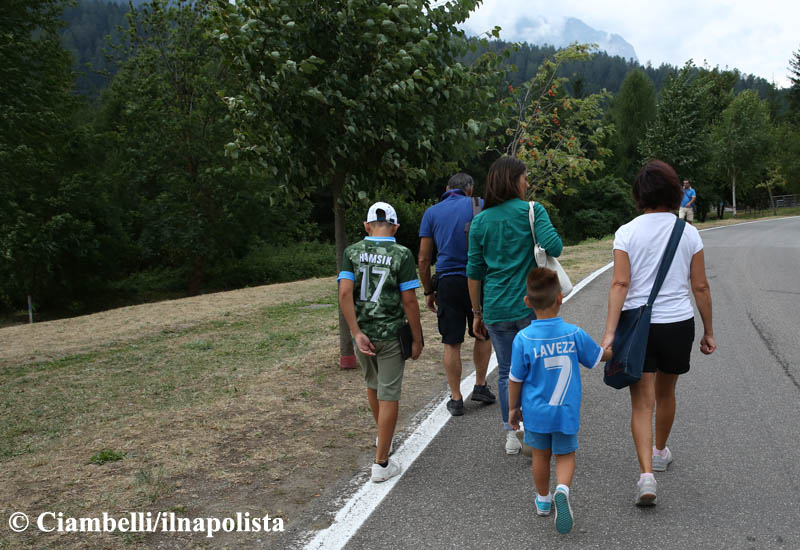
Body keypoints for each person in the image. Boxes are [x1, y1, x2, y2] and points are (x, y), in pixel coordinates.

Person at [601, 160, 716, 506]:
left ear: (639, 194)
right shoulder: (688, 232)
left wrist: (609, 333)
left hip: (638, 326)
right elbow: (700, 287)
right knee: (667, 393)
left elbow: (620, 283)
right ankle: (661, 450)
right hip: (678, 323)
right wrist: (709, 330)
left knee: (641, 401)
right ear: (673, 191)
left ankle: (646, 476)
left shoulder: (627, 232)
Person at [467, 156, 563, 454]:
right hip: (531, 305)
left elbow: (474, 271)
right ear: (513, 180)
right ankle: (535, 430)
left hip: (495, 307)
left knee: (509, 369)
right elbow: (555, 247)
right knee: (536, 368)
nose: (527, 183)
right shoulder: (533, 211)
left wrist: (477, 312)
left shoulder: (480, 221)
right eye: (524, 178)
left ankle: (512, 433)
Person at [509, 268, 611, 534]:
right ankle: (562, 490)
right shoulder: (573, 333)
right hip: (565, 411)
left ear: (527, 302)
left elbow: (515, 378)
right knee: (565, 454)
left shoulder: (523, 339)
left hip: (537, 412)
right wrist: (615, 348)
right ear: (560, 299)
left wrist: (513, 408)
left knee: (540, 456)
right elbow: (598, 357)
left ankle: (543, 501)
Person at [338, 202, 424, 483]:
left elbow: (345, 294)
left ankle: (382, 439)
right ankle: (382, 463)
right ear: (396, 227)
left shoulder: (351, 252)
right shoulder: (402, 254)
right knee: (390, 394)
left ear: (366, 226)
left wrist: (355, 332)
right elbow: (409, 300)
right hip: (390, 333)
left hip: (362, 332)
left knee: (373, 386)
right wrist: (417, 337)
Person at [419, 173, 495, 417]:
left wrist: (429, 290)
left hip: (447, 281)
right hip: (478, 278)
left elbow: (423, 258)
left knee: (451, 341)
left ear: (446, 188)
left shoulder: (431, 213)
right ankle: (481, 385)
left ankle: (456, 397)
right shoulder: (481, 205)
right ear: (470, 190)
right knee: (482, 333)